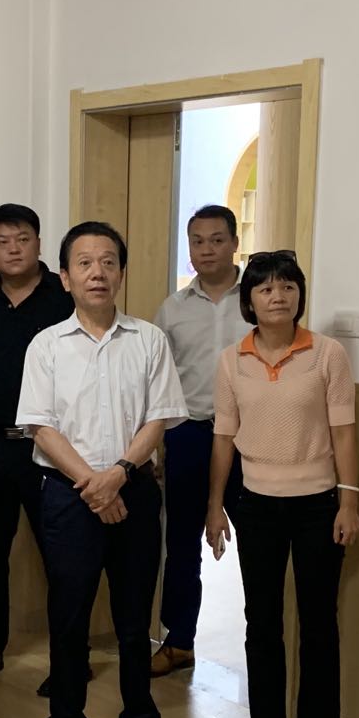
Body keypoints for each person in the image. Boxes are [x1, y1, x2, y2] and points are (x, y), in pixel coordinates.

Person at [16, 221, 188, 718]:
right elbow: (41, 428)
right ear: (65, 277)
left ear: (121, 273)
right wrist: (94, 484)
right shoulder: (46, 345)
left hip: (132, 488)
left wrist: (117, 475)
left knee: (135, 620)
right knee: (69, 617)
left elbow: (159, 417)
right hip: (69, 495)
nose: (98, 272)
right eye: (85, 263)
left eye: (108, 262)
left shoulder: (149, 340)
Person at [204, 251, 359, 718]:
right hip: (255, 505)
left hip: (319, 504)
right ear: (249, 300)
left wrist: (349, 501)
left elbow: (344, 433)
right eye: (266, 288)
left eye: (288, 286)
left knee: (318, 621)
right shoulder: (231, 361)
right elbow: (223, 438)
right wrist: (215, 507)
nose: (279, 296)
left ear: (300, 295)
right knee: (262, 620)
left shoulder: (328, 354)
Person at [0, 203, 72, 685]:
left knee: (61, 556)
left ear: (39, 243)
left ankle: (69, 662)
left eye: (22, 239)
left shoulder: (63, 296)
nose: (13, 249)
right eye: (1, 242)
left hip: (50, 447)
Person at [152, 204, 251, 678]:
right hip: (189, 432)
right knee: (181, 541)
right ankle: (179, 641)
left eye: (216, 239)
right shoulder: (171, 310)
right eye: (197, 241)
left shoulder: (257, 300)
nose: (206, 249)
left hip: (251, 436)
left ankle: (261, 645)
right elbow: (158, 381)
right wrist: (158, 442)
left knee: (259, 542)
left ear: (234, 244)